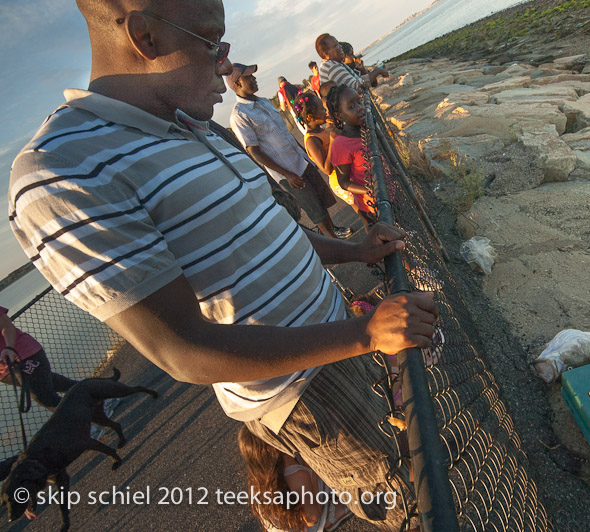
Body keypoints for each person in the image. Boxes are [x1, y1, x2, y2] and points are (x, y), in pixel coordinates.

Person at [9, 2, 436, 530]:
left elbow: (264, 228)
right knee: (421, 502)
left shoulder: (195, 125)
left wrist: (354, 250)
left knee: (442, 454)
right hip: (302, 388)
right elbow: (182, 350)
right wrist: (365, 333)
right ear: (144, 34)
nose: (227, 63)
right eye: (213, 41)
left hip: (349, 334)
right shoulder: (61, 172)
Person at [227, 63, 350, 239]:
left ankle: (332, 229)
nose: (254, 79)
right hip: (287, 171)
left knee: (320, 198)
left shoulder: (263, 102)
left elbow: (286, 135)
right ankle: (333, 240)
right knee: (313, 206)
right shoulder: (239, 115)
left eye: (253, 75)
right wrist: (287, 174)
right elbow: (254, 151)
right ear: (237, 83)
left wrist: (307, 156)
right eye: (248, 77)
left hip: (300, 160)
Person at [238, 425, 352, 532]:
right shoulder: (296, 474)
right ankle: (331, 517)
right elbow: (312, 518)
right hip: (307, 525)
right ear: (273, 444)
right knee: (347, 489)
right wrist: (312, 470)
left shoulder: (260, 477)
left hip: (285, 525)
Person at [0, 306, 79, 410]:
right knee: (60, 385)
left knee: (45, 398)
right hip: (4, 373)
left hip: (20, 355)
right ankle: (101, 400)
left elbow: (6, 325)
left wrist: (10, 347)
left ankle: (84, 422)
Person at [293, 92, 357, 218]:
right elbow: (326, 169)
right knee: (365, 213)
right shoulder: (312, 140)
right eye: (322, 109)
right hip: (340, 180)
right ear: (311, 116)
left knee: (368, 210)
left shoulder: (322, 130)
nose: (325, 112)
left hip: (349, 173)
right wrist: (333, 140)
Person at [327, 85, 378, 229]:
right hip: (372, 206)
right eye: (351, 107)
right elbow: (343, 182)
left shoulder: (366, 129)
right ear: (338, 115)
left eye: (359, 102)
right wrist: (369, 190)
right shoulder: (341, 144)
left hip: (387, 192)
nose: (360, 108)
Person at [315, 34, 389, 91]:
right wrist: (377, 71)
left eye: (338, 43)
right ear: (326, 54)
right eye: (336, 45)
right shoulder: (331, 67)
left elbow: (357, 80)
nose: (340, 46)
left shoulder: (334, 64)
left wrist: (364, 70)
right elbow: (356, 85)